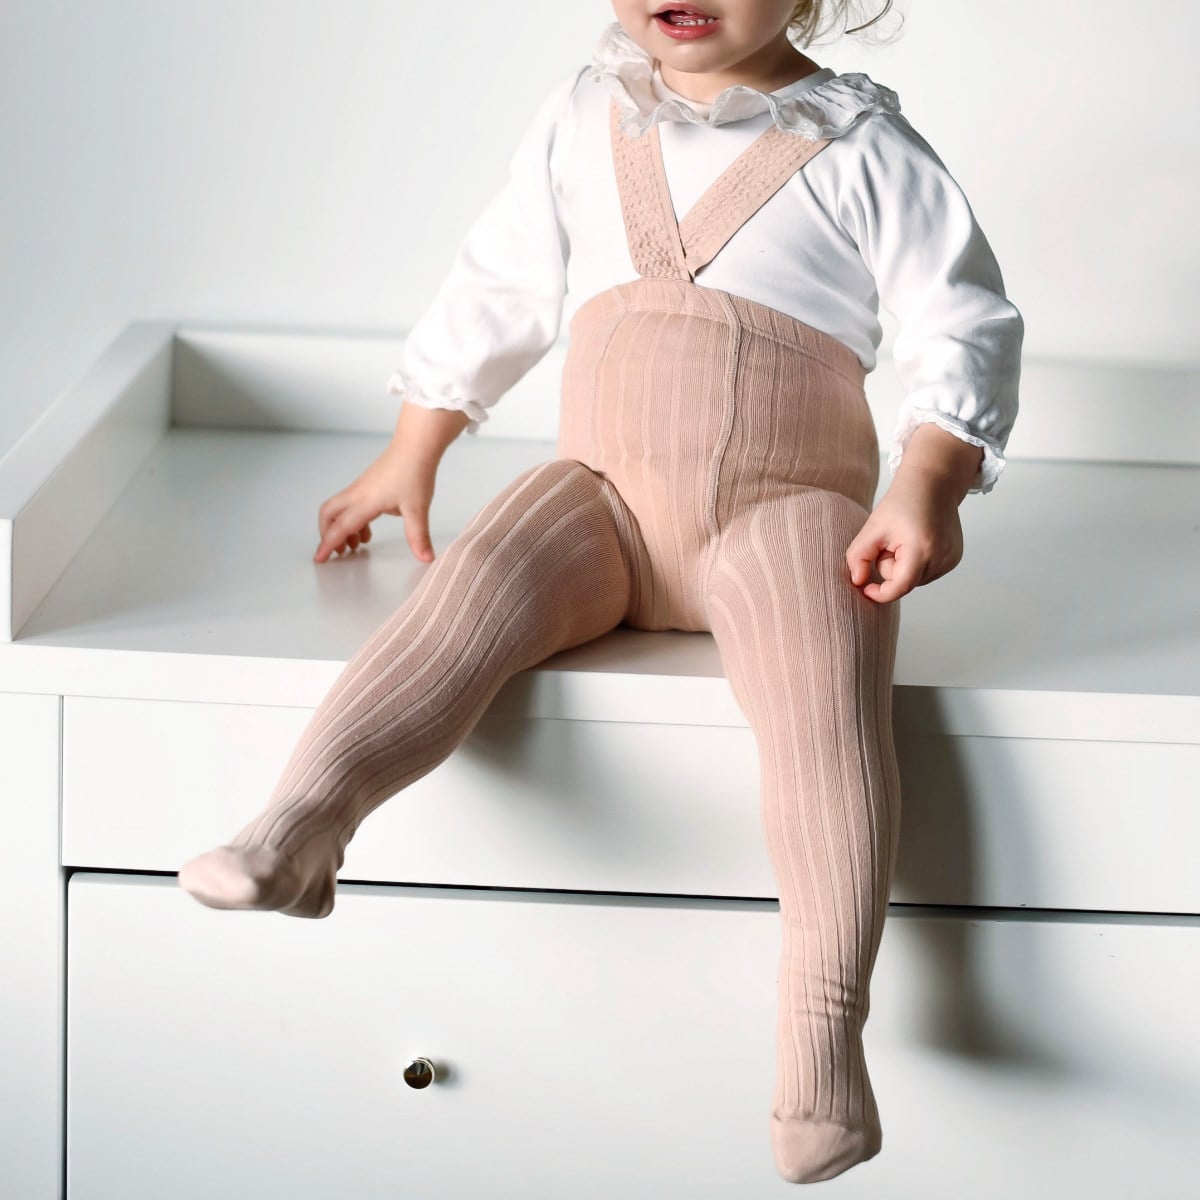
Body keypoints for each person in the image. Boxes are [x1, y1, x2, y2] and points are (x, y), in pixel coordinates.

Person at [178, 0, 1024, 1184]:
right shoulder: (587, 113)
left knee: (823, 701)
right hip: (603, 502)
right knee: (472, 587)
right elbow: (500, 283)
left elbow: (961, 320)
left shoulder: (861, 144)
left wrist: (926, 484)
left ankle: (821, 1036)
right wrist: (413, 450)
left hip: (784, 513)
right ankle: (302, 825)